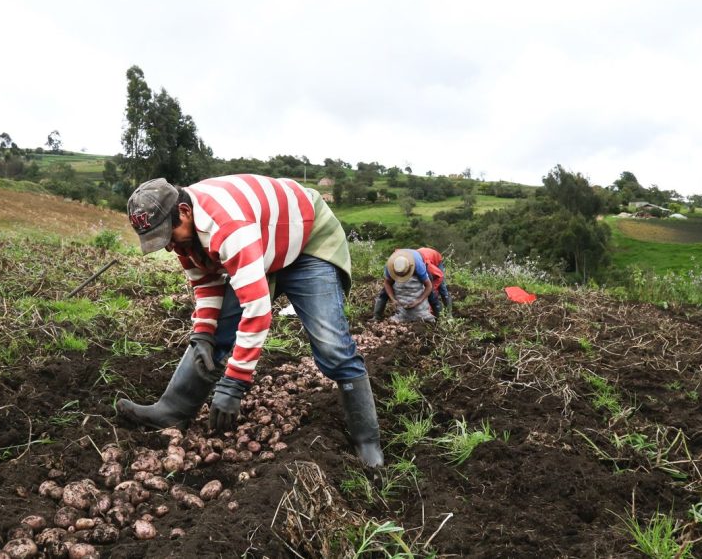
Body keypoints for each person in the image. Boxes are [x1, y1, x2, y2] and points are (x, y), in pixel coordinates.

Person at [115, 175, 384, 468]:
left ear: (184, 211)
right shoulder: (184, 237)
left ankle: (367, 440)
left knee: (332, 347)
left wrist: (234, 383)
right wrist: (203, 332)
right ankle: (172, 410)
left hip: (308, 238)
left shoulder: (227, 227)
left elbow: (256, 310)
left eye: (168, 234)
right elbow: (206, 282)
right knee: (215, 332)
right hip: (262, 242)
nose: (168, 246)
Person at [372, 249, 435, 322]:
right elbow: (387, 283)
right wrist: (393, 299)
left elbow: (428, 286)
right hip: (401, 263)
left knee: (431, 294)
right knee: (383, 293)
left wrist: (418, 301)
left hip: (418, 262)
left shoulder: (418, 265)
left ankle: (439, 316)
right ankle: (376, 316)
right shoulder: (390, 266)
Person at [417, 247, 452, 317]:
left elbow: (440, 276)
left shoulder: (427, 266)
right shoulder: (413, 266)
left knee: (442, 287)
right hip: (424, 256)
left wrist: (433, 288)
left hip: (436, 258)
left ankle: (449, 313)